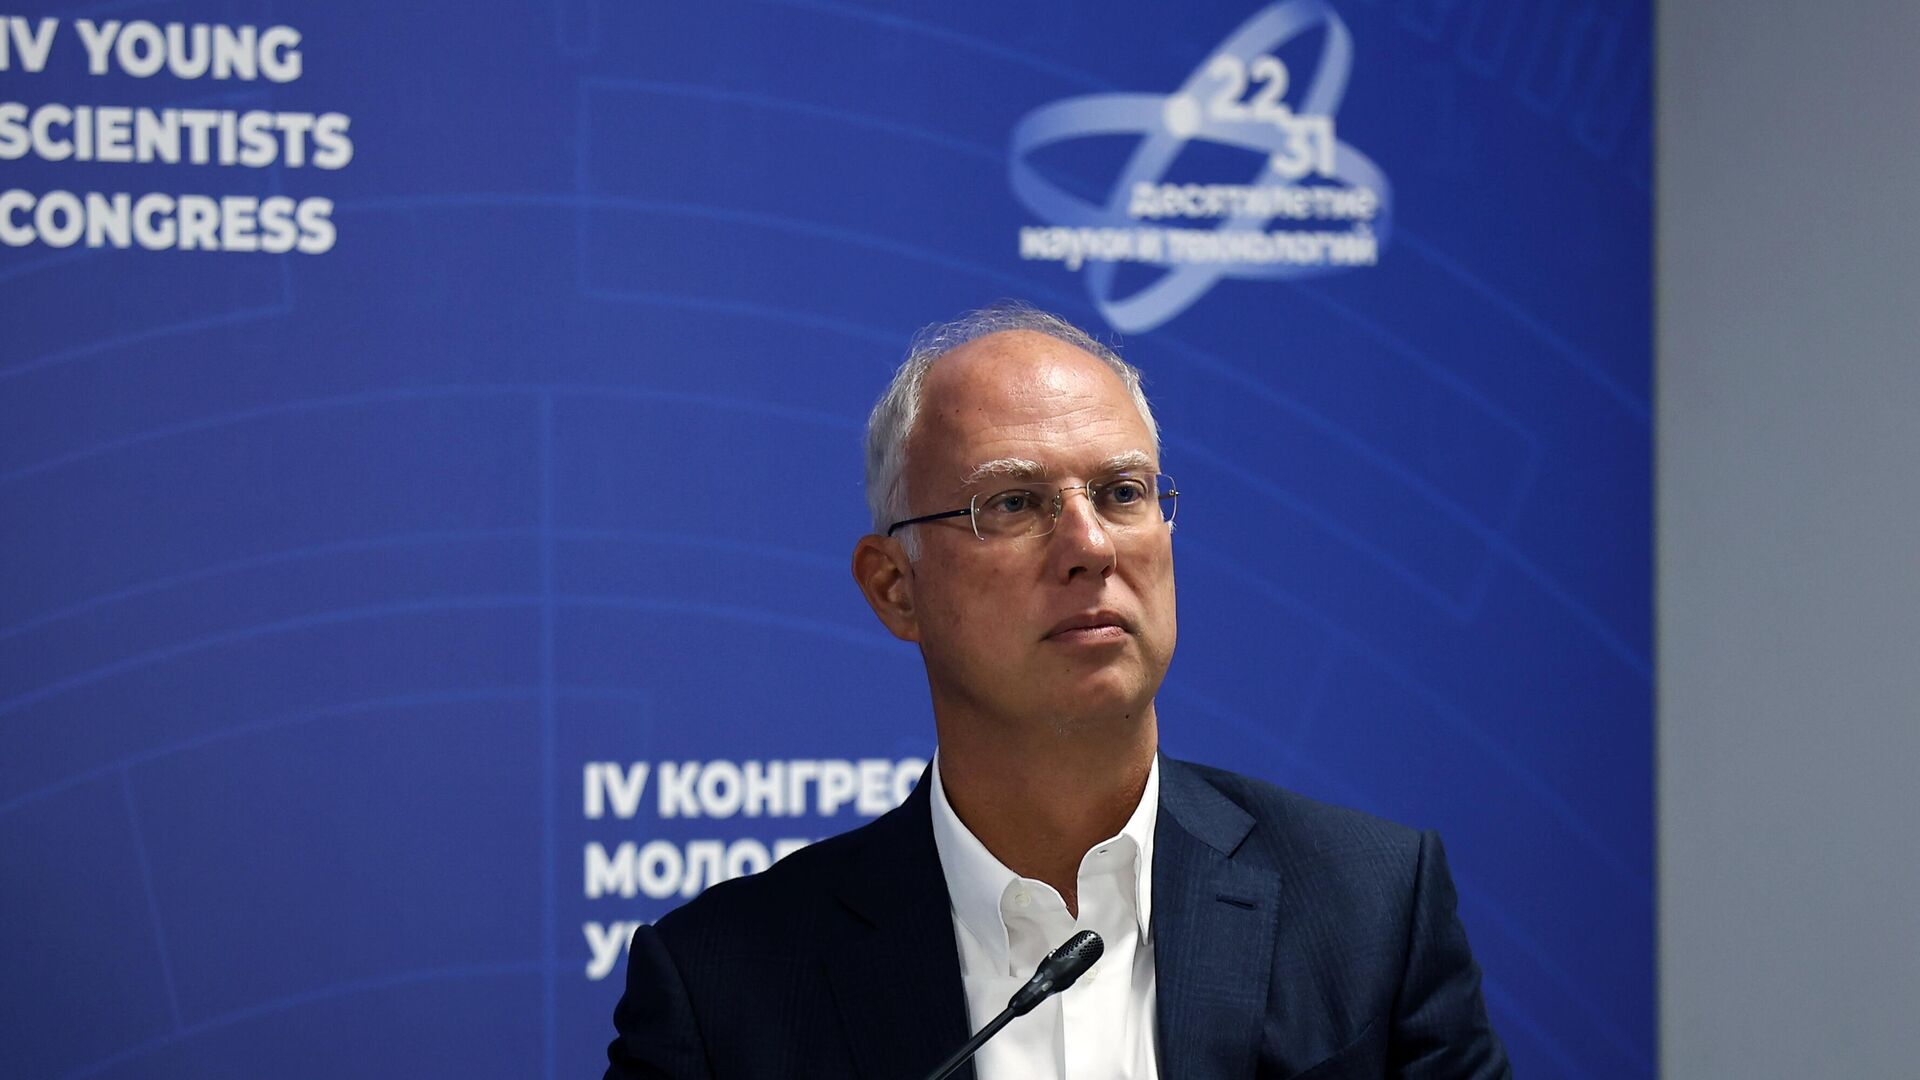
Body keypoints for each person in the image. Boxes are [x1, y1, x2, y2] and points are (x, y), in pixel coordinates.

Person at [604, 302, 1510, 1079]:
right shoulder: (724, 990)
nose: (1091, 546)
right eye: (1012, 503)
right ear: (895, 588)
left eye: (1122, 492)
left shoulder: (1369, 910)